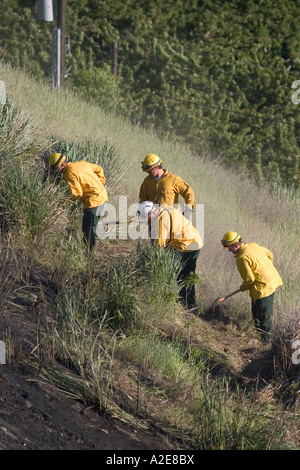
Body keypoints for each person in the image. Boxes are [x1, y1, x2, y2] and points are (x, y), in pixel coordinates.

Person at [138, 201, 203, 309]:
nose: (145, 221)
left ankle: (185, 302)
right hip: (196, 241)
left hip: (186, 245)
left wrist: (151, 263)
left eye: (146, 218)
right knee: (187, 273)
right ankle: (188, 302)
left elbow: (159, 248)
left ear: (152, 213)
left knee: (178, 272)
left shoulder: (161, 223)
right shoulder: (165, 209)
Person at [221, 231, 283, 342]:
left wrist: (242, 287)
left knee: (264, 316)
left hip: (263, 288)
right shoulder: (253, 245)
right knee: (256, 311)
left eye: (229, 247)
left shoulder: (241, 258)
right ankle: (259, 337)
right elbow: (269, 253)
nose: (229, 250)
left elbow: (249, 279)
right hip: (272, 281)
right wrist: (266, 268)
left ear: (235, 245)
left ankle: (266, 343)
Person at [48, 152, 108, 250]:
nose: (57, 171)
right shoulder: (81, 163)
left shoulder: (69, 173)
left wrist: (61, 202)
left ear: (63, 164)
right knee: (91, 226)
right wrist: (99, 184)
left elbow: (77, 193)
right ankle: (92, 250)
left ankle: (88, 255)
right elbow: (99, 169)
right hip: (102, 197)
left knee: (88, 229)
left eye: (56, 168)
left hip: (93, 201)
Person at [139, 154, 195, 219]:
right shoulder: (147, 181)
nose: (147, 172)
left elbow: (188, 192)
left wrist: (188, 211)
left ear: (156, 167)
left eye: (150, 170)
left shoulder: (173, 179)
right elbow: (143, 199)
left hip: (172, 222)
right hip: (154, 223)